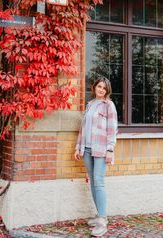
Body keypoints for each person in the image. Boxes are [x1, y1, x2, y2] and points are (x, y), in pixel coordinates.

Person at [74, 76, 118, 237]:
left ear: (107, 91)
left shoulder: (109, 105)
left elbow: (112, 129)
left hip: (101, 149)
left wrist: (110, 150)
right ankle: (99, 214)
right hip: (86, 149)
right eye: (99, 86)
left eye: (104, 88)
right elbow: (82, 128)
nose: (101, 90)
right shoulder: (90, 104)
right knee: (93, 181)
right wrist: (78, 147)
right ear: (94, 88)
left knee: (99, 182)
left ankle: (102, 220)